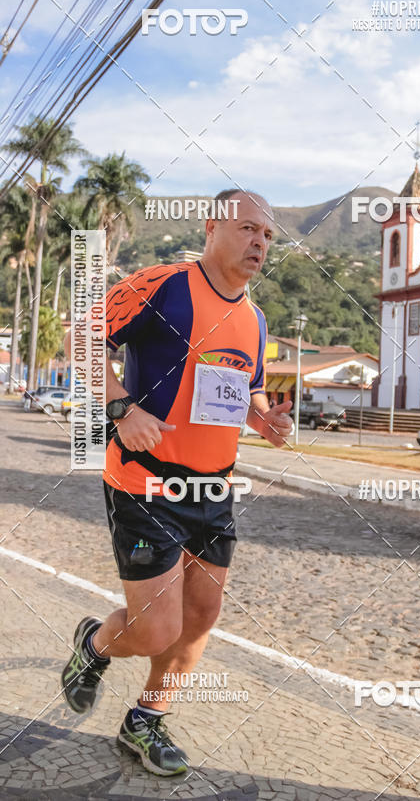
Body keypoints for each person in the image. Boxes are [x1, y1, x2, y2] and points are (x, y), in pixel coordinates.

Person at [61, 190, 293, 776]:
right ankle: (92, 647)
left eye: (267, 236)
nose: (259, 243)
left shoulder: (255, 319)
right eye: (248, 229)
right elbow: (81, 339)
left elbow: (246, 391)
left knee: (200, 618)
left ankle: (146, 719)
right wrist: (121, 409)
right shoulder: (163, 286)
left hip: (213, 490)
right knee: (156, 627)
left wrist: (266, 418)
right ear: (213, 227)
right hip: (146, 484)